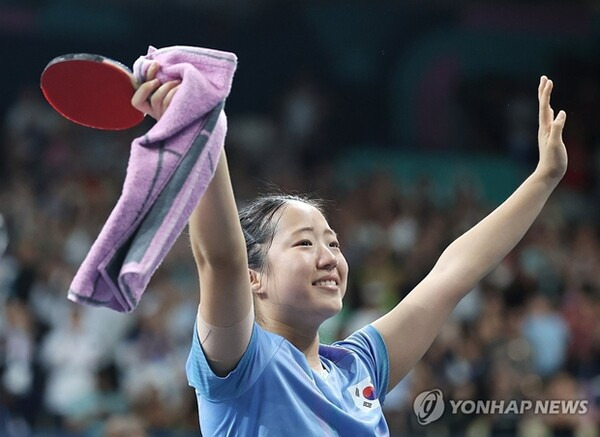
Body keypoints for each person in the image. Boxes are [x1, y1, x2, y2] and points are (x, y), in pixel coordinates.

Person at [131, 63, 568, 436]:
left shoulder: (358, 368)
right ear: (254, 276)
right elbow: (220, 259)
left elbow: (452, 276)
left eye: (333, 242)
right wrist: (196, 128)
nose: (329, 257)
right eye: (304, 242)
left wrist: (543, 178)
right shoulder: (243, 365)